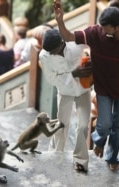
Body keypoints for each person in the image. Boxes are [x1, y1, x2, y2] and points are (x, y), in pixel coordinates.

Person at [54, 1, 119, 171]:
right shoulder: (95, 32)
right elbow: (69, 37)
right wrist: (60, 21)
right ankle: (99, 141)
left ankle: (112, 157)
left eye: (106, 28)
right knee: (105, 123)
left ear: (118, 26)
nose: (103, 30)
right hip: (103, 88)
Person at [39, 29, 92, 172]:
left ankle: (80, 160)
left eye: (53, 51)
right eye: (49, 51)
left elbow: (91, 56)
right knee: (61, 126)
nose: (51, 54)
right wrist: (72, 74)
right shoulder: (44, 55)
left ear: (62, 43)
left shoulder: (77, 45)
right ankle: (56, 155)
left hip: (83, 90)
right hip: (65, 91)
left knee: (83, 126)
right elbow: (51, 79)